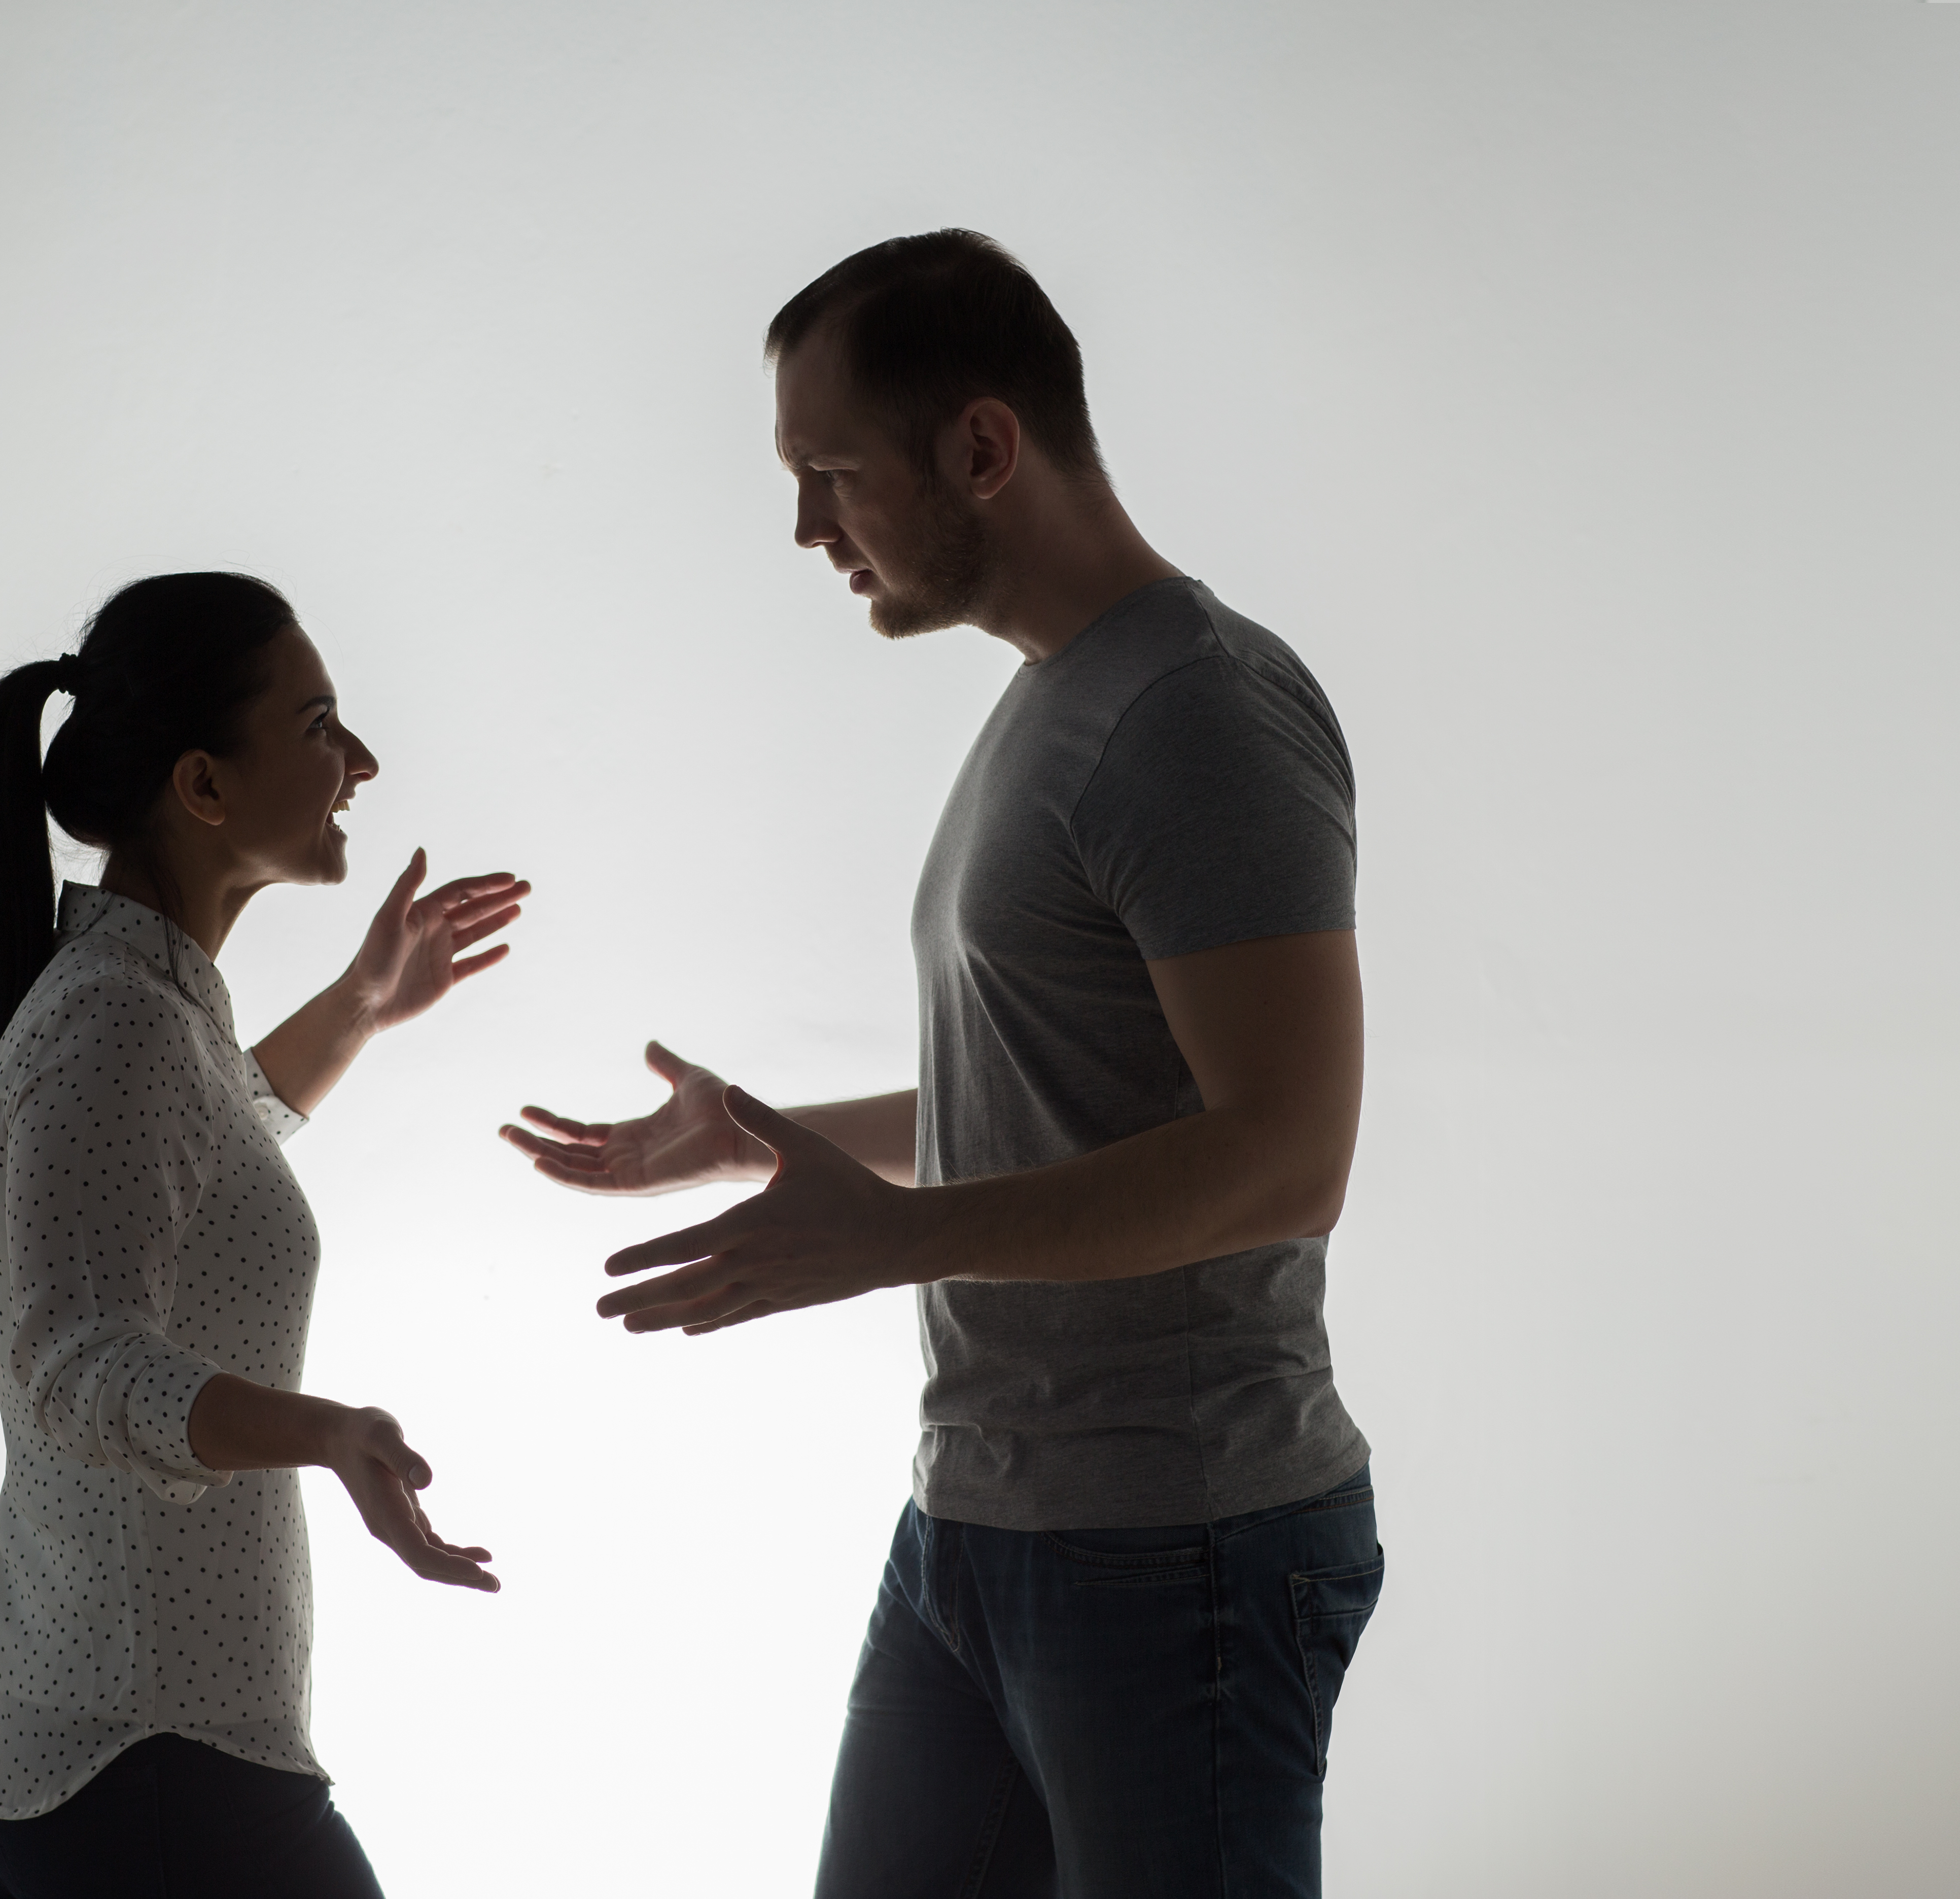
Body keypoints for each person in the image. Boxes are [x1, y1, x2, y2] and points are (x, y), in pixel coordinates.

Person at [503, 233, 1382, 1898]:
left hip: (1177, 1543)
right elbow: (1067, 1094)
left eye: (829, 474)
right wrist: (752, 1143)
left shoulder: (1199, 717)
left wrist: (896, 1238)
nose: (806, 529)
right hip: (977, 1526)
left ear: (983, 449)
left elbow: (1285, 1156)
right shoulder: (1059, 698)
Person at [0, 572, 520, 1898]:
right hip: (140, 1763)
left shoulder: (134, 1005)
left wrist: (361, 1005)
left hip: (59, 1736)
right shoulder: (113, 1022)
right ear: (203, 786)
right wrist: (325, 1430)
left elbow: (196, 1147)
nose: (360, 763)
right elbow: (73, 1364)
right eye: (317, 726)